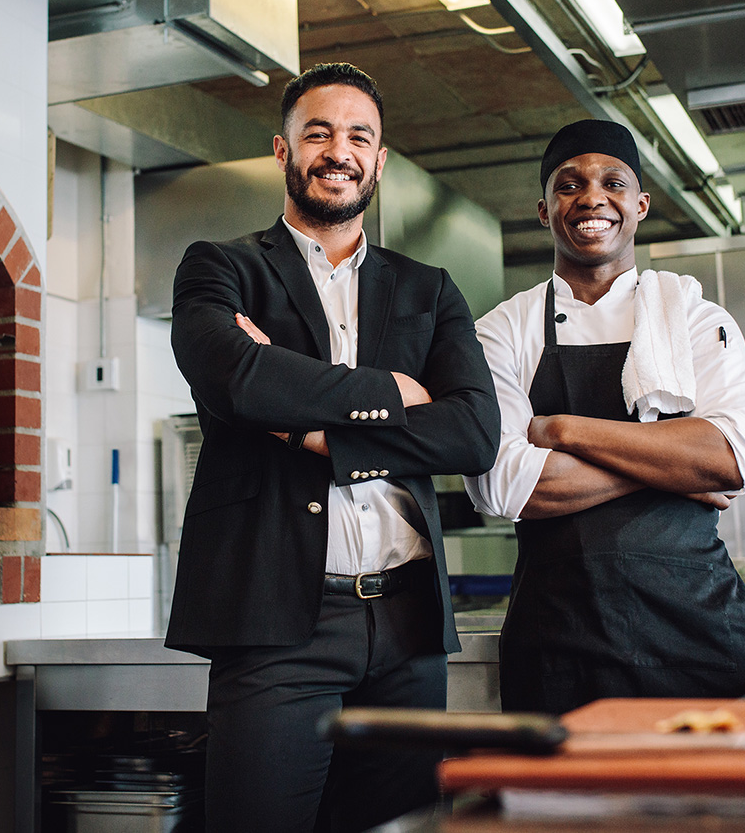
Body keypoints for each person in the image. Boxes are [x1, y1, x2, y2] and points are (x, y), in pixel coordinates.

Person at [165, 62, 500, 833]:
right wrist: (393, 391)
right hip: (279, 621)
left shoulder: (431, 288)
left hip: (409, 622)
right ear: (282, 151)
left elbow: (475, 433)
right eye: (317, 132)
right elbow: (236, 378)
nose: (338, 150)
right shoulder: (221, 268)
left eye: (359, 136)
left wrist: (313, 430)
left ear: (379, 161)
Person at [464, 118, 745, 715]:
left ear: (640, 203)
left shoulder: (697, 318)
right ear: (544, 208)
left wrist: (562, 431)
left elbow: (732, 458)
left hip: (697, 629)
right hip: (558, 639)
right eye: (569, 184)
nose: (591, 198)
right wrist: (675, 463)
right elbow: (505, 484)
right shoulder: (501, 329)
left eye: (613, 181)